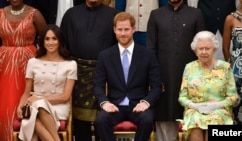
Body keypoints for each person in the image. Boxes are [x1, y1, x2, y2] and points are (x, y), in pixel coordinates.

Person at [93, 12, 161, 141]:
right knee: (100, 121)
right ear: (114, 30)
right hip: (114, 105)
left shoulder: (148, 55)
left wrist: (146, 102)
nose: (123, 33)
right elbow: (98, 85)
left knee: (147, 120)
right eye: (119, 29)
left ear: (133, 29)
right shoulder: (105, 56)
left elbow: (157, 86)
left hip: (139, 105)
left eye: (126, 29)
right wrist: (104, 102)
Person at [60, 0, 120, 140]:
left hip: (106, 74)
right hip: (78, 73)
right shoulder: (71, 14)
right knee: (80, 121)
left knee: (104, 117)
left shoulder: (114, 15)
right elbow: (63, 44)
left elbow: (121, 44)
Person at [146, 0, 205, 141]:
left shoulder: (196, 14)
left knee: (191, 114)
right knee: (164, 112)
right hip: (163, 75)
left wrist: (200, 77)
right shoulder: (156, 15)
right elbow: (151, 49)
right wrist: (155, 79)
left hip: (190, 77)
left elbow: (202, 47)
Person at [16, 24, 77, 141]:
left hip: (58, 106)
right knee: (34, 115)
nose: (51, 42)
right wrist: (20, 106)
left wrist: (40, 100)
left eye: (54, 38)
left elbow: (65, 97)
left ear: (60, 41)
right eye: (47, 39)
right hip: (35, 105)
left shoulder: (70, 64)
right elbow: (26, 92)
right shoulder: (33, 62)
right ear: (42, 41)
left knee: (37, 109)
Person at [178, 30, 238, 141]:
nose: (204, 52)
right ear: (195, 51)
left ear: (214, 49)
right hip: (195, 110)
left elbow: (233, 97)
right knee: (195, 127)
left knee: (214, 125)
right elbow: (182, 97)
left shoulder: (225, 67)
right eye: (201, 49)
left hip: (219, 110)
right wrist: (195, 106)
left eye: (207, 48)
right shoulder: (189, 68)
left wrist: (216, 106)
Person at [0, 0, 46, 140]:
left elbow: (46, 38)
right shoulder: (1, 13)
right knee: (5, 105)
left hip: (28, 63)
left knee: (25, 102)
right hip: (4, 63)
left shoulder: (35, 14)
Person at [223, 0, 242, 125]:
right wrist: (231, 66)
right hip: (237, 69)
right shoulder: (230, 18)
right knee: (238, 100)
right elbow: (225, 47)